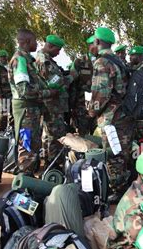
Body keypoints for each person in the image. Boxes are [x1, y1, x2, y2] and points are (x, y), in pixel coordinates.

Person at [88, 27, 131, 203]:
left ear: (97, 42)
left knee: (113, 154)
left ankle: (119, 191)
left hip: (111, 118)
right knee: (123, 152)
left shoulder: (102, 63)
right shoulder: (119, 61)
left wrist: (91, 111)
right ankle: (126, 186)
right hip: (124, 115)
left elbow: (101, 93)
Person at [8, 28, 58, 176]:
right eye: (35, 41)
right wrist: (49, 92)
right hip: (25, 112)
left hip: (32, 111)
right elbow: (25, 90)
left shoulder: (27, 59)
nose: (37, 44)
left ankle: (29, 177)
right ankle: (24, 182)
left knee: (33, 145)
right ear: (28, 41)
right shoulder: (20, 60)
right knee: (27, 146)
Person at [36, 34, 72, 165]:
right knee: (55, 136)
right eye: (57, 49)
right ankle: (54, 165)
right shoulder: (45, 61)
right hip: (52, 105)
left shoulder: (46, 60)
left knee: (48, 135)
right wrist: (72, 75)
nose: (58, 52)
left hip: (52, 104)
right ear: (49, 46)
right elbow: (56, 83)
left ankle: (49, 163)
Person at [70, 35, 96, 136]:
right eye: (96, 44)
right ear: (90, 46)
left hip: (98, 105)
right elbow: (72, 84)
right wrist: (72, 106)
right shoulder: (79, 62)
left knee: (97, 134)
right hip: (82, 106)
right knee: (83, 133)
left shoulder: (103, 61)